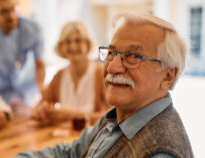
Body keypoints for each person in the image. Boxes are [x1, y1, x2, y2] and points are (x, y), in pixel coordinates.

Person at [15, 12, 193, 157]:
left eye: (133, 56)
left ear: (168, 76)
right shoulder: (118, 116)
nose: (112, 67)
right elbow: (72, 153)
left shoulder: (159, 152)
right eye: (111, 52)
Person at [31, 21, 112, 125]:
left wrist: (72, 115)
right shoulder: (59, 76)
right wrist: (41, 112)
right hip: (64, 138)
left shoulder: (101, 74)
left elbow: (113, 117)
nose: (72, 46)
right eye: (67, 42)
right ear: (61, 46)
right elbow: (36, 109)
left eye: (78, 41)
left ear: (87, 44)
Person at [0, 0, 45, 106]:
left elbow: (40, 64)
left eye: (14, 8)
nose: (12, 16)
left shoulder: (34, 29)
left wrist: (42, 93)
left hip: (29, 94)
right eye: (4, 12)